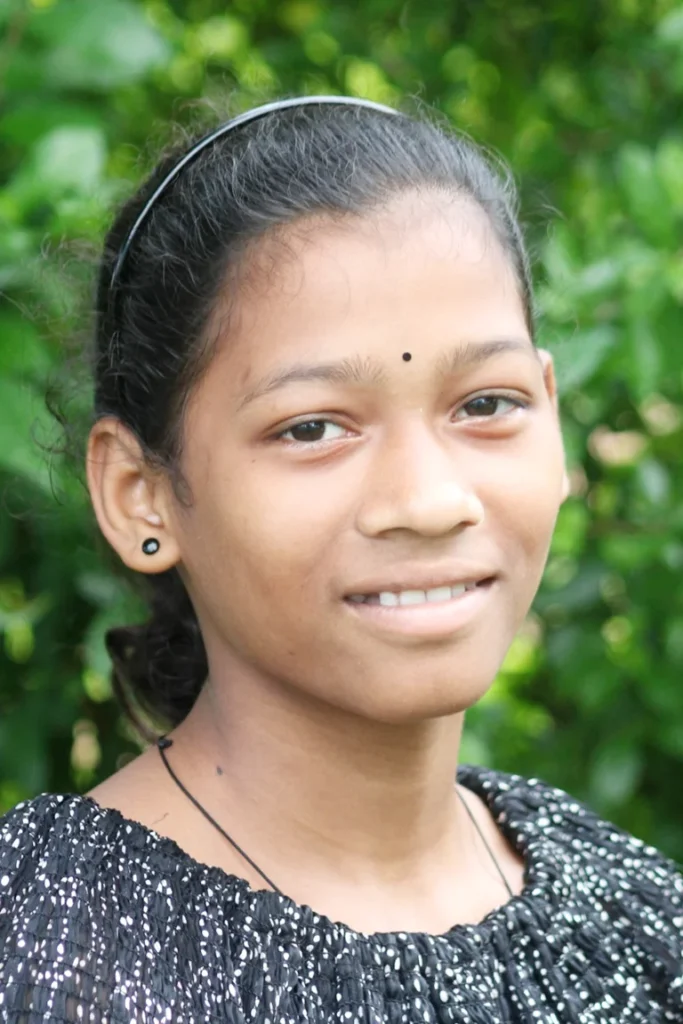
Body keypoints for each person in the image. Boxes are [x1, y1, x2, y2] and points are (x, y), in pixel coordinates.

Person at [0, 95, 680, 1023]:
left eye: (486, 404)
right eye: (312, 427)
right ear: (138, 492)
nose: (430, 500)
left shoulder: (637, 925)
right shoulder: (51, 955)